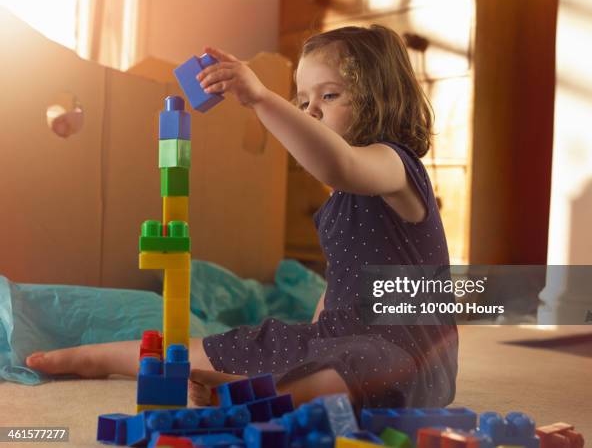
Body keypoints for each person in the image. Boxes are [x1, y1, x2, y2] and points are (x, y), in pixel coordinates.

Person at [26, 25, 458, 410]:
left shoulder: (395, 165)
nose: (310, 112)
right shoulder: (343, 196)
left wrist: (259, 98)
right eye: (302, 100)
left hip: (406, 353)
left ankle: (245, 396)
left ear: (379, 98)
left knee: (362, 367)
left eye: (328, 96)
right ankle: (96, 356)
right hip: (338, 339)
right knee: (231, 346)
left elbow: (338, 163)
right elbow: (341, 282)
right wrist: (307, 339)